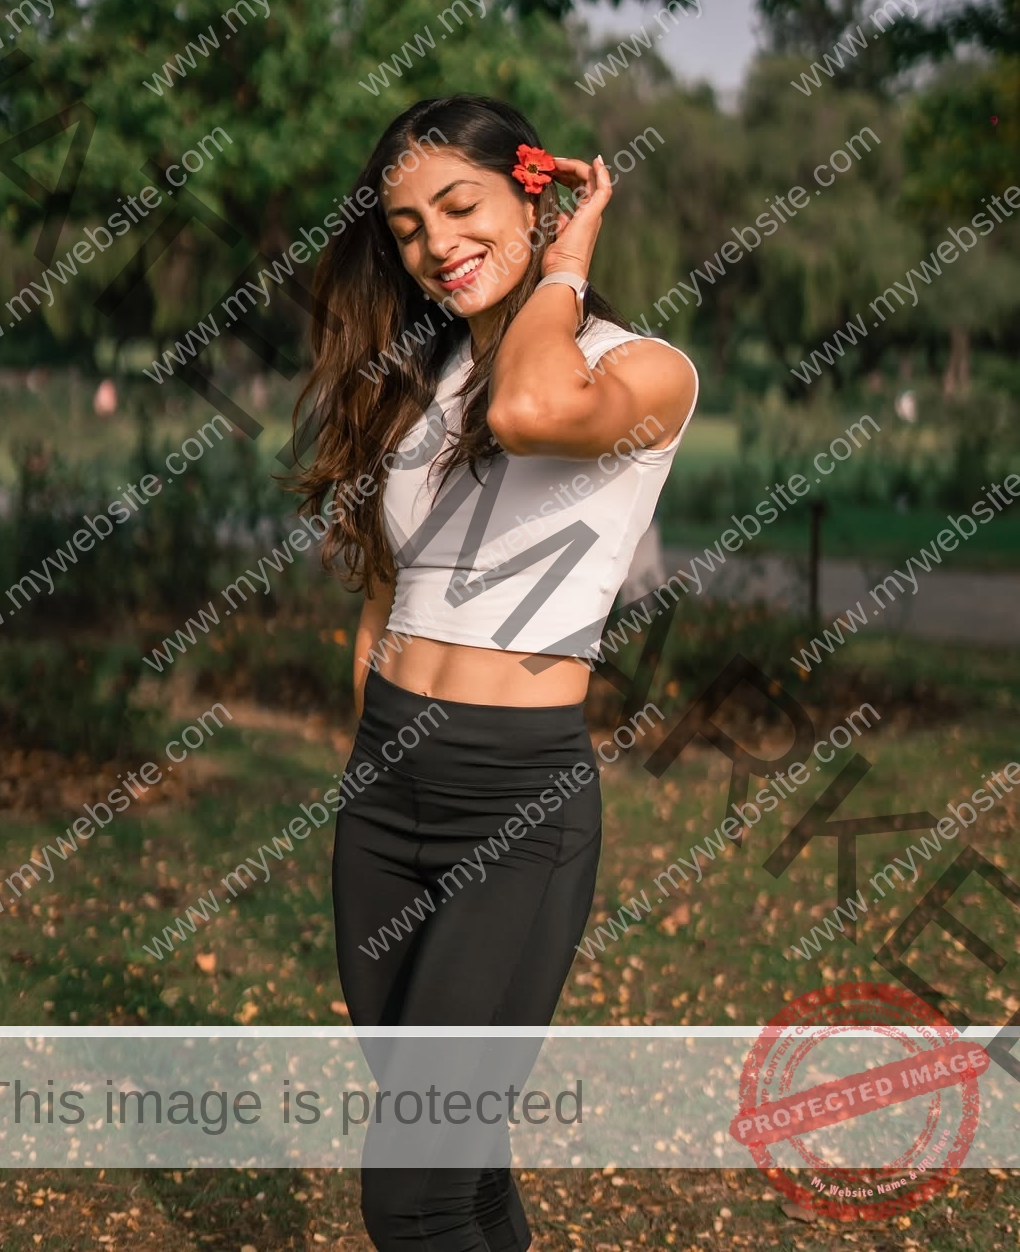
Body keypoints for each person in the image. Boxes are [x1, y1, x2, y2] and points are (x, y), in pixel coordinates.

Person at [285, 94, 698, 1250]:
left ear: (533, 192)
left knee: (409, 1190)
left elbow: (529, 406)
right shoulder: (414, 388)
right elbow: (386, 595)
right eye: (408, 227)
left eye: (461, 205)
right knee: (458, 1170)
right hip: (386, 794)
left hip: (514, 804)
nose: (433, 245)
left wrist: (570, 249)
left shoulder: (643, 371)